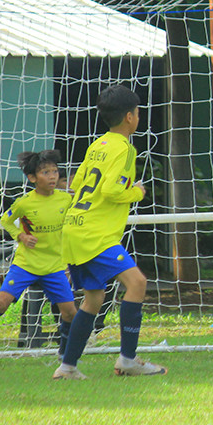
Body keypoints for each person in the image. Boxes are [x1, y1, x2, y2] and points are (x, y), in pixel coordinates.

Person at [54, 85, 166, 379]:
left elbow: (77, 184)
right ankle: (128, 359)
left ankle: (67, 366)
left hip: (74, 229)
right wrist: (137, 192)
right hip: (95, 234)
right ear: (130, 117)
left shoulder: (97, 145)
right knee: (137, 283)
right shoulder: (125, 148)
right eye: (138, 112)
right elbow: (112, 189)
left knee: (93, 298)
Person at [0, 150, 76, 353]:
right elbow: (6, 219)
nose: (52, 176)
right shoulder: (25, 203)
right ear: (32, 178)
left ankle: (65, 356)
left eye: (55, 171)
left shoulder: (65, 201)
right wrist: (21, 236)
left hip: (54, 266)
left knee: (70, 313)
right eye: (46, 172)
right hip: (25, 265)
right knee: (1, 304)